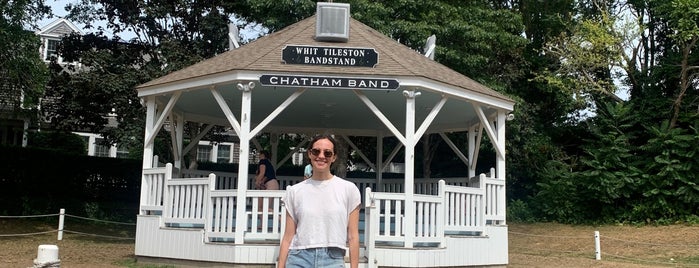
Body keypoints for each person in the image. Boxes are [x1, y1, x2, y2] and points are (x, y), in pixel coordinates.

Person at [278, 135, 361, 268]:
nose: (321, 156)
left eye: (327, 153)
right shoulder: (294, 191)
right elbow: (288, 236)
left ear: (334, 157)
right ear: (310, 154)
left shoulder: (349, 190)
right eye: (316, 151)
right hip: (299, 258)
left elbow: (353, 236)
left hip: (333, 259)